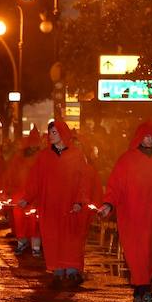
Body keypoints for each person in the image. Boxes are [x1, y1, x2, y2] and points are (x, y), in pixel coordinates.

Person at [98, 122, 152, 302]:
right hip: (132, 216)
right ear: (139, 137)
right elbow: (115, 187)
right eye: (146, 136)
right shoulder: (126, 160)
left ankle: (141, 289)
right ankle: (144, 290)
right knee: (137, 253)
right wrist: (108, 205)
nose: (149, 139)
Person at [19, 121, 92, 289]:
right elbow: (35, 179)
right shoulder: (44, 156)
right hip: (50, 206)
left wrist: (80, 201)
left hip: (71, 205)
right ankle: (58, 271)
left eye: (54, 132)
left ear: (62, 134)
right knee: (53, 237)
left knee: (72, 238)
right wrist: (27, 197)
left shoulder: (76, 155)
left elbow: (83, 180)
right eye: (50, 132)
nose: (50, 136)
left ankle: (72, 270)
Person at [3, 129, 42, 256]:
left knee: (33, 221)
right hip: (21, 193)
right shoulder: (19, 157)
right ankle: (27, 244)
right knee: (23, 220)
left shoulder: (42, 157)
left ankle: (33, 246)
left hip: (33, 195)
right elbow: (11, 174)